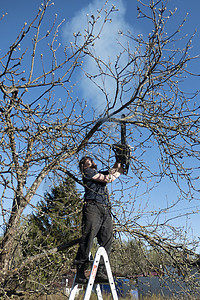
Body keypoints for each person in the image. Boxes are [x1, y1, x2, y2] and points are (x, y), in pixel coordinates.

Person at [74, 155, 124, 284]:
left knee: (107, 237)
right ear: (84, 166)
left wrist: (119, 161)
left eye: (91, 162)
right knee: (88, 236)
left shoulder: (96, 172)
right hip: (92, 207)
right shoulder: (88, 172)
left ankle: (101, 271)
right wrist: (118, 173)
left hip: (105, 208)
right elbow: (108, 178)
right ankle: (80, 270)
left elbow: (111, 171)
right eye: (88, 162)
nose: (91, 163)